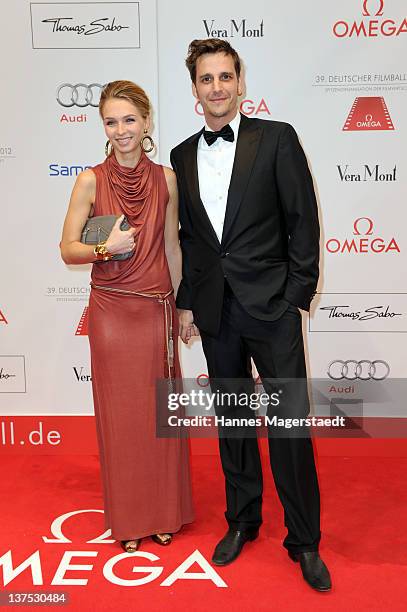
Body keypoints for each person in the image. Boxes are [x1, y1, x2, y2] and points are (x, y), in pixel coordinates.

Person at [170, 39, 331, 591]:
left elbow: (302, 221)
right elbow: (192, 238)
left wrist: (295, 296)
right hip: (218, 311)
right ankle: (242, 520)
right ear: (194, 90)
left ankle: (304, 539)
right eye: (205, 79)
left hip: (272, 306)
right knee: (234, 423)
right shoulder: (181, 155)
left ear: (240, 84)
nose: (215, 87)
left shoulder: (277, 139)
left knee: (289, 426)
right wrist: (188, 300)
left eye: (224, 77)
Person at [60, 80, 194, 553]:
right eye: (111, 122)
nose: (121, 131)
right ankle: (130, 518)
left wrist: (183, 306)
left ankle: (162, 514)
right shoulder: (90, 180)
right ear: (104, 127)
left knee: (160, 417)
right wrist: (105, 247)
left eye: (129, 120)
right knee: (123, 421)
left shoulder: (167, 178)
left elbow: (173, 247)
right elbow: (67, 249)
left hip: (156, 311)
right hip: (113, 315)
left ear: (146, 121)